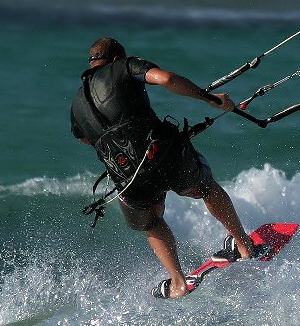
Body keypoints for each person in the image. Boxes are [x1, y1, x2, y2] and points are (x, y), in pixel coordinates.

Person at [70, 37, 260, 298]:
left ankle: (178, 282)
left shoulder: (76, 104)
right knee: (206, 188)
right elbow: (166, 79)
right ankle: (243, 245)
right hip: (162, 153)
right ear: (116, 57)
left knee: (151, 221)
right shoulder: (124, 66)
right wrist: (211, 100)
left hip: (126, 174)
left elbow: (83, 138)